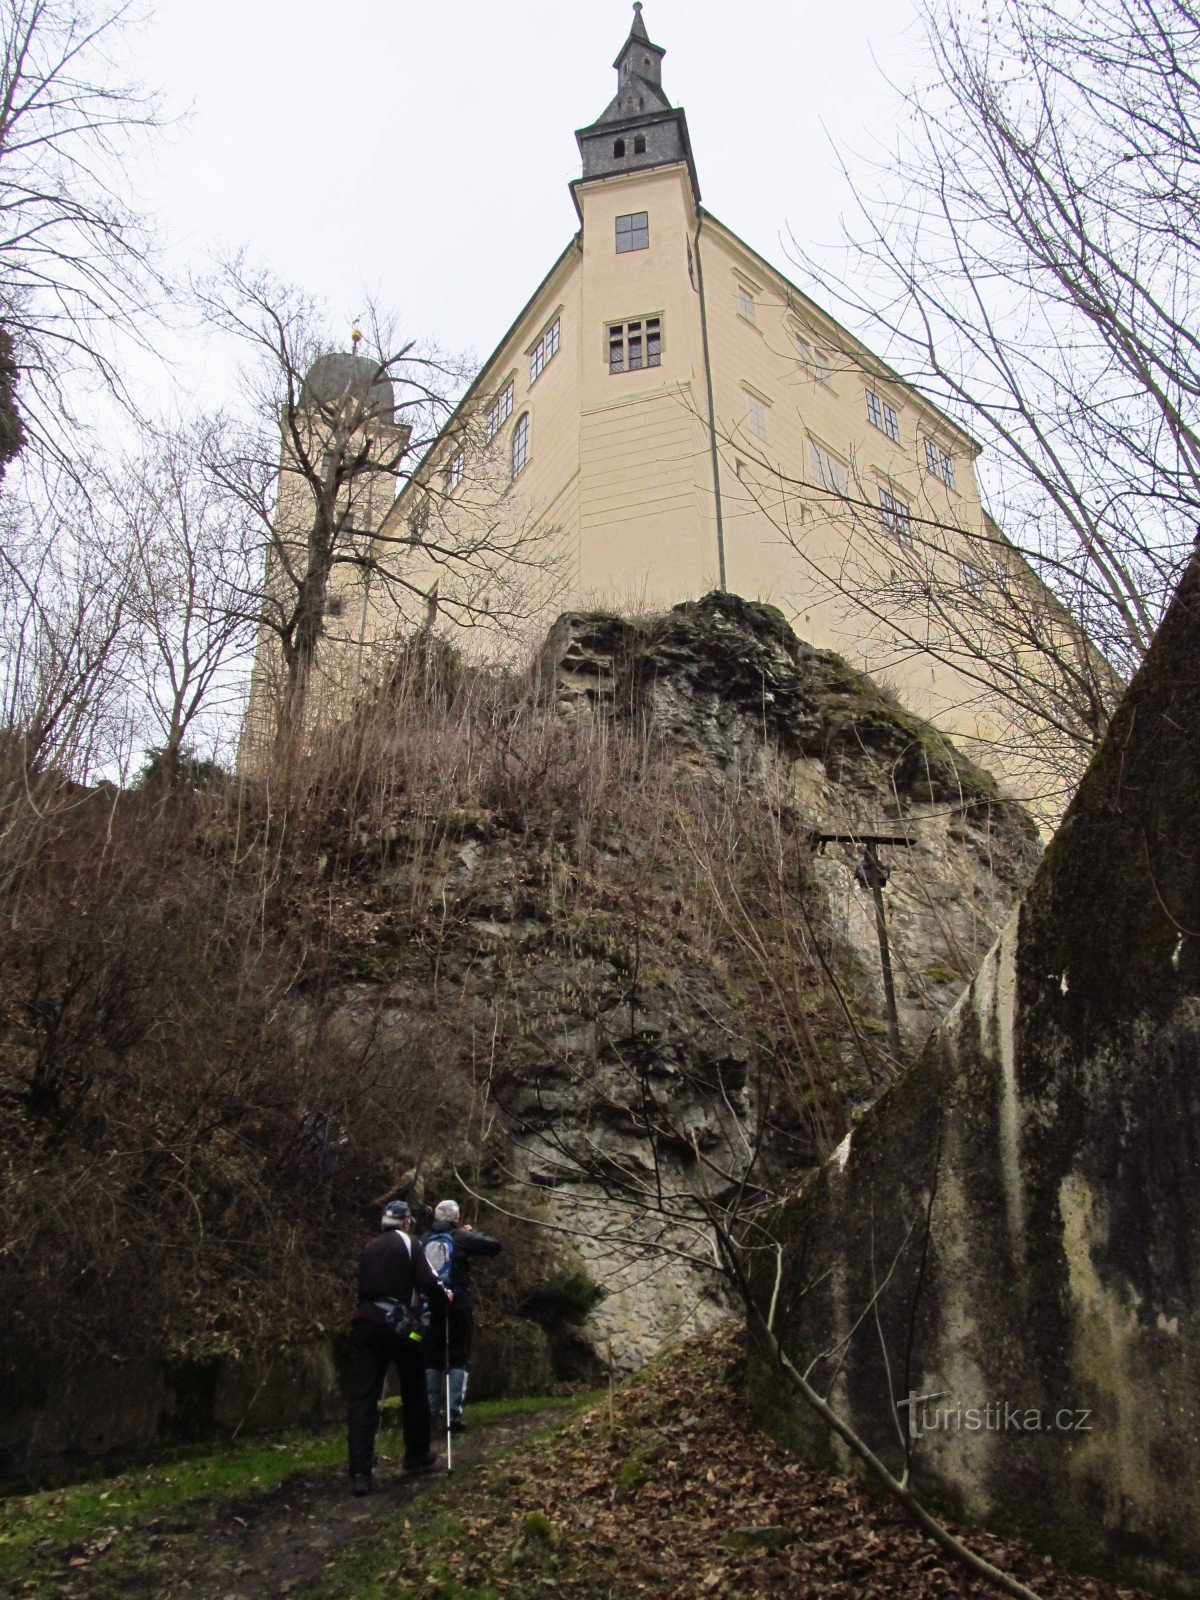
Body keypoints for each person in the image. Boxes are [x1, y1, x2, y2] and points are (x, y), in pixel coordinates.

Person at [346, 1199, 450, 1496]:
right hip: (400, 1325)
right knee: (413, 1384)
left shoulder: (369, 1247)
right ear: (406, 1222)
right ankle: (416, 1454)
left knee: (362, 1398)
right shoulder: (410, 1243)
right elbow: (429, 1283)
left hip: (365, 1324)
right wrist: (444, 1301)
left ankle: (360, 1472)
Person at [421, 1199, 502, 1433]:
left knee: (432, 1358)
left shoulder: (423, 1239)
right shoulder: (460, 1237)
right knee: (458, 1357)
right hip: (457, 1303)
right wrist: (471, 1232)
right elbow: (493, 1246)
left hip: (431, 1304)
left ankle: (430, 1413)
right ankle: (453, 1416)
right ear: (455, 1218)